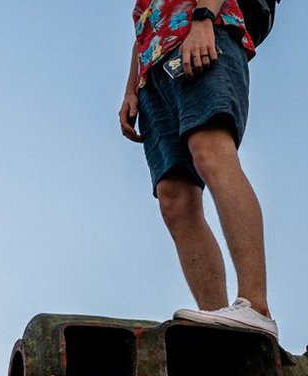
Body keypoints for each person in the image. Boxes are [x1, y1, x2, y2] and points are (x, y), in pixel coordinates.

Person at [119, 0, 278, 339]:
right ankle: (218, 323)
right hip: (155, 65)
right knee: (173, 197)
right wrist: (131, 86)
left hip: (203, 34)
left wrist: (203, 20)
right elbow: (145, 17)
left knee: (210, 153)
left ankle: (256, 306)